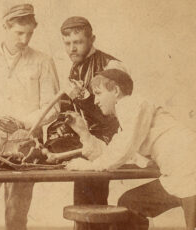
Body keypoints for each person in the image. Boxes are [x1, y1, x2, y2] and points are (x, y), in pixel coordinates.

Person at [65, 69, 196, 230]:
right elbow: (113, 151)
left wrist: (88, 166)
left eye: (98, 93)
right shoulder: (129, 118)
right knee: (130, 203)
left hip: (195, 171)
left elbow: (122, 150)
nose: (95, 101)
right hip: (178, 175)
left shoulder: (131, 104)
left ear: (115, 91)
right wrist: (83, 132)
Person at [0, 3, 60, 230]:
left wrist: (23, 123)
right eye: (19, 33)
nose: (25, 40)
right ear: (5, 27)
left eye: (29, 34)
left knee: (17, 213)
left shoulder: (43, 61)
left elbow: (53, 107)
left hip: (25, 145)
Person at [45, 16, 126, 230]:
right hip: (86, 142)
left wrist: (82, 99)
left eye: (78, 42)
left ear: (92, 39)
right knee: (83, 206)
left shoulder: (111, 65)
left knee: (95, 205)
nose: (72, 48)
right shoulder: (76, 66)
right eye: (67, 43)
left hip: (108, 144)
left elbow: (123, 111)